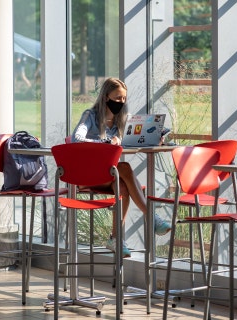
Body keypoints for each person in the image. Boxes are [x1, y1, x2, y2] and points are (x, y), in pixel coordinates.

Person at [71, 77, 172, 258]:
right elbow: (76, 139)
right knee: (123, 167)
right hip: (87, 175)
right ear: (105, 97)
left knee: (123, 184)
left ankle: (116, 239)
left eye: (124, 99)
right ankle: (151, 216)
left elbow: (131, 142)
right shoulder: (90, 116)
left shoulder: (122, 121)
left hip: (107, 175)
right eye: (117, 98)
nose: (121, 102)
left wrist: (154, 138)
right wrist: (107, 141)